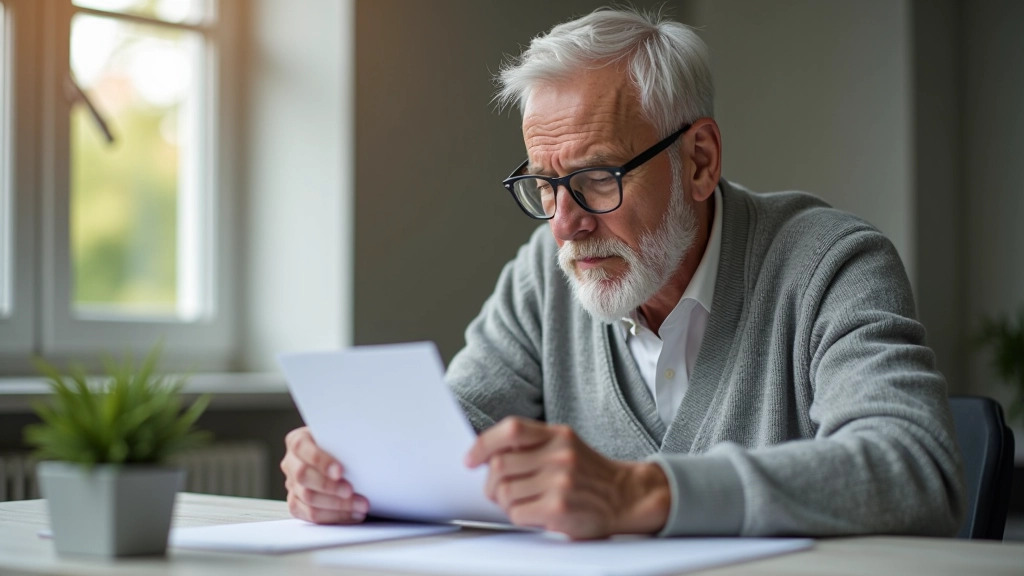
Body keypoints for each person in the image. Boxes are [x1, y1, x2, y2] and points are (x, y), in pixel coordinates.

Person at [280, 7, 965, 539]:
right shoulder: (544, 280)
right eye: (546, 186)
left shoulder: (830, 264)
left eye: (597, 178)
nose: (564, 225)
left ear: (698, 161)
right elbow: (456, 438)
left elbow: (915, 469)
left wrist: (638, 493)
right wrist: (352, 474)